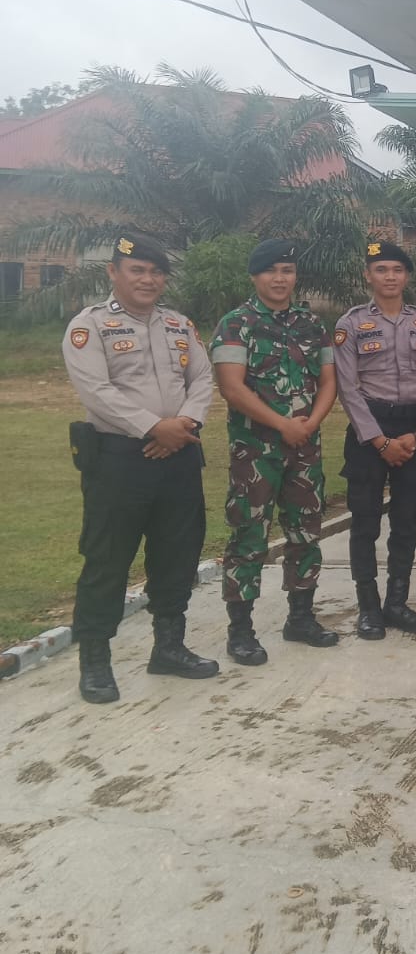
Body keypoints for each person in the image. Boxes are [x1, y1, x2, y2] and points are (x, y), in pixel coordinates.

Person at [62, 233, 218, 703]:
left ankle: (168, 648)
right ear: (114, 272)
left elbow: (203, 377)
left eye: (156, 272)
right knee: (108, 560)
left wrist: (185, 424)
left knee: (178, 554)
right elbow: (97, 392)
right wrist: (155, 428)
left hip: (179, 456)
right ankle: (95, 663)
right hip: (119, 463)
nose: (148, 279)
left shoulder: (178, 324)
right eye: (137, 270)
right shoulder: (89, 327)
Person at [209, 238, 340, 666]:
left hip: (305, 446)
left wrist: (311, 423)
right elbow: (231, 387)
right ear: (254, 276)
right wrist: (284, 424)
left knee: (306, 531)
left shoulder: (311, 324)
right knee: (249, 536)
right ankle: (241, 630)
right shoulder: (236, 324)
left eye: (286, 270)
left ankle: (300, 618)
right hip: (256, 451)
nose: (279, 278)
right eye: (270, 271)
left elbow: (328, 380)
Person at [333, 240, 416, 639]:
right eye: (381, 270)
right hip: (370, 431)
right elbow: (347, 390)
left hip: (414, 429)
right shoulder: (349, 325)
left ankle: (397, 603)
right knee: (364, 522)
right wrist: (380, 441)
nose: (390, 277)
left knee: (406, 521)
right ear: (368, 275)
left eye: (397, 270)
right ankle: (368, 607)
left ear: (406, 276)